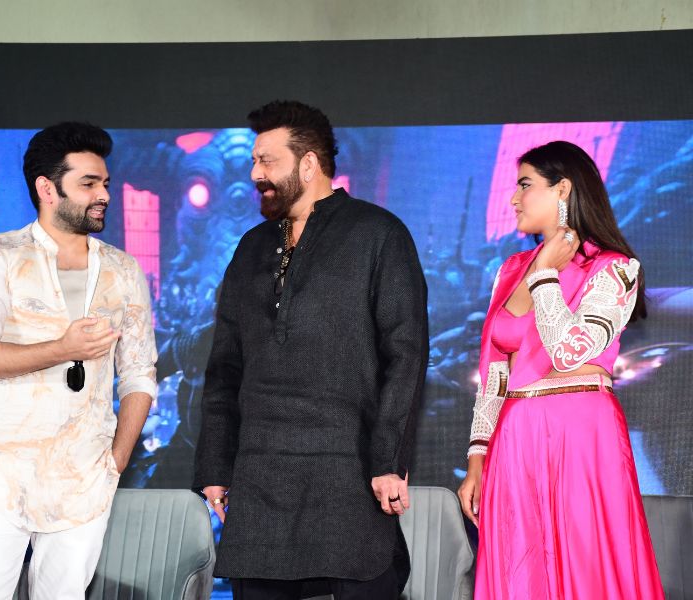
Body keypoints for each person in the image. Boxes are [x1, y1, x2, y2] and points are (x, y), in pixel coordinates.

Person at [193, 100, 429, 600]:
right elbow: (225, 368)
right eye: (254, 161)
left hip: (348, 472)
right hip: (260, 476)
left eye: (267, 161)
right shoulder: (251, 247)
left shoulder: (378, 234)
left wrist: (389, 461)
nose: (255, 174)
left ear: (308, 163)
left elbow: (405, 355)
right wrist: (215, 465)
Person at [0, 122, 158, 599]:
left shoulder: (123, 269)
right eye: (88, 184)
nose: (104, 195)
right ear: (47, 189)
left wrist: (117, 459)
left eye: (105, 183)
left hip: (86, 473)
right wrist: (64, 349)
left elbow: (139, 373)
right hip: (3, 471)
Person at [458, 141, 664, 598]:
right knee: (520, 571)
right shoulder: (509, 270)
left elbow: (568, 351)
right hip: (515, 437)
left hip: (581, 433)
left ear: (563, 189)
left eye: (525, 185)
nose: (514, 199)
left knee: (587, 567)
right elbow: (494, 374)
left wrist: (546, 274)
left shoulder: (615, 267)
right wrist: (476, 462)